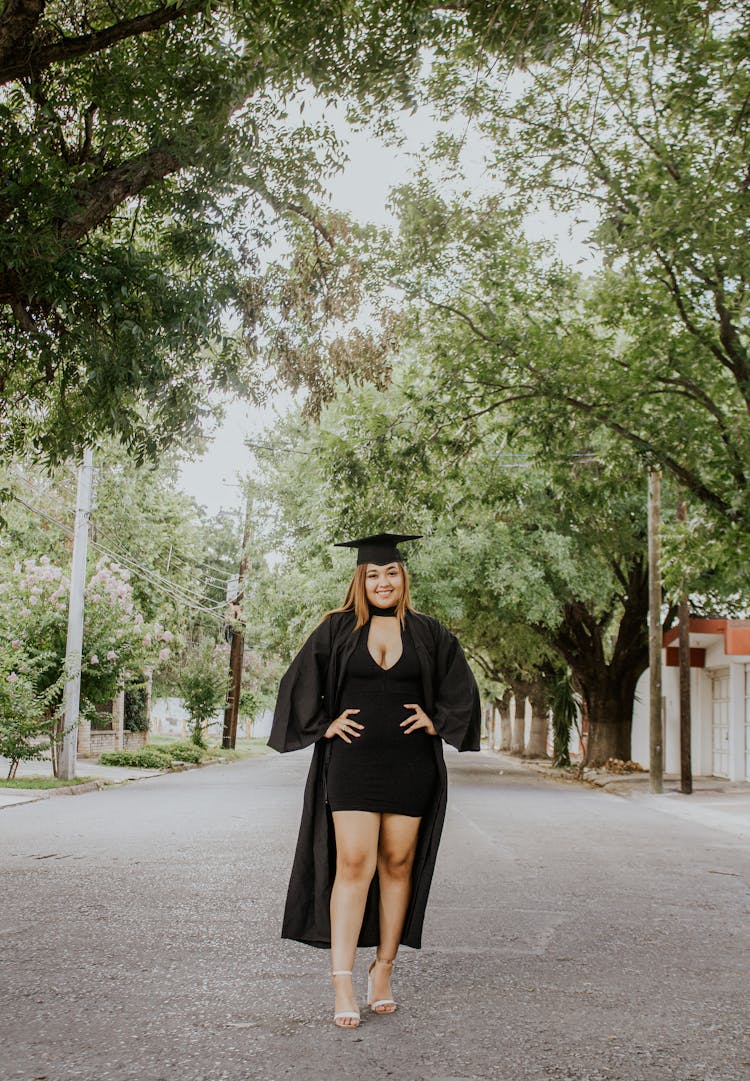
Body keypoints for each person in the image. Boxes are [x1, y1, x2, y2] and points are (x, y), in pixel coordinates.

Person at [268, 532, 480, 1028]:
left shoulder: (430, 633)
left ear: (404, 577)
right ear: (360, 580)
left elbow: (460, 689)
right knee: (355, 863)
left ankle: (382, 970)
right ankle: (342, 978)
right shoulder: (336, 629)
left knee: (398, 863)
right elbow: (297, 685)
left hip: (411, 765)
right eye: (372, 574)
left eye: (390, 573)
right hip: (353, 762)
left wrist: (437, 721)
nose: (382, 582)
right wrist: (325, 726)